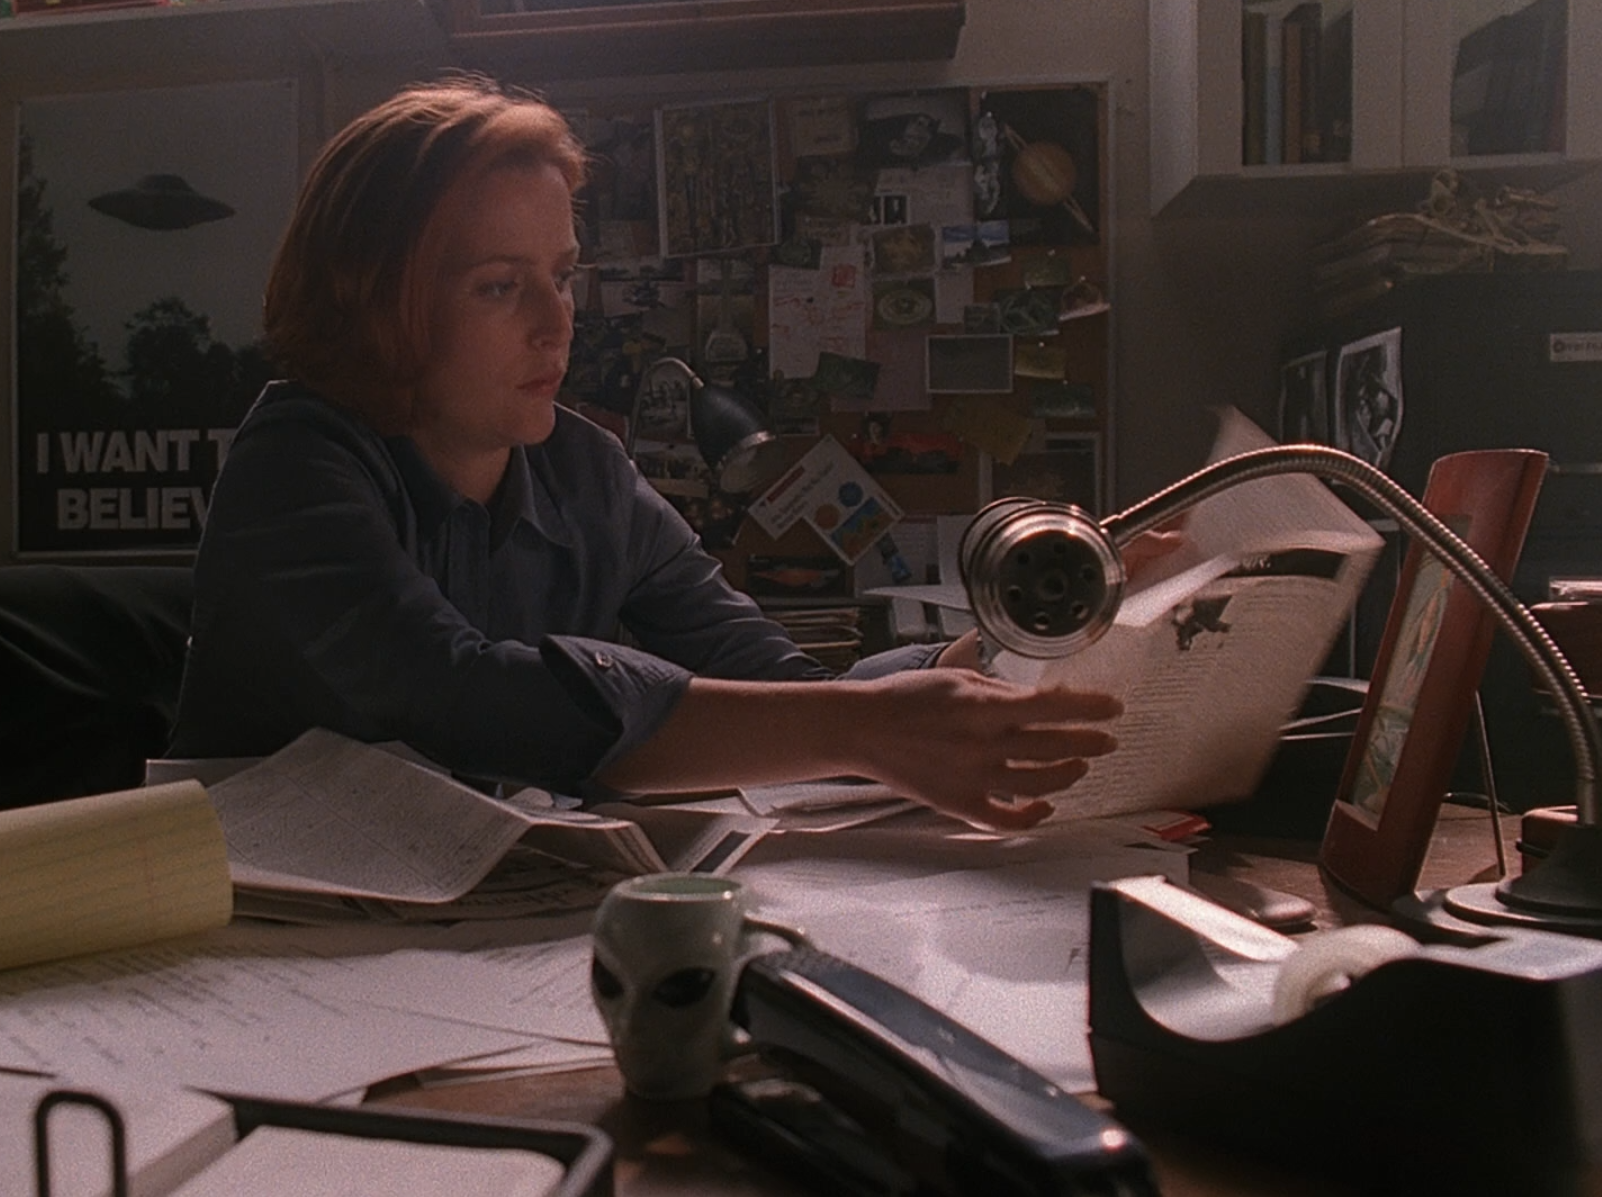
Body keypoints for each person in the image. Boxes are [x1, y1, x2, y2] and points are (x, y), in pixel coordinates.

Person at [173, 76, 1121, 830]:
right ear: (374, 300)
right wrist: (869, 726)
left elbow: (792, 696)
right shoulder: (295, 462)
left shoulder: (588, 473)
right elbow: (462, 696)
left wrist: (1006, 643)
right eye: (499, 286)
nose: (557, 324)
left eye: (561, 276)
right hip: (247, 950)